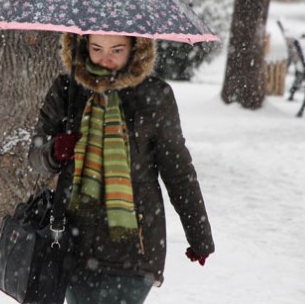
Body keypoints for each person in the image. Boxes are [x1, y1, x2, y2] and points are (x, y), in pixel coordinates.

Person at [28, 33, 215, 304]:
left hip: (135, 247)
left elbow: (178, 171)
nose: (106, 58)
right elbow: (35, 156)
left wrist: (199, 235)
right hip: (75, 244)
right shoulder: (68, 90)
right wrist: (54, 150)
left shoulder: (154, 95)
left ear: (136, 49)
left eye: (117, 49)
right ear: (81, 47)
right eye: (96, 48)